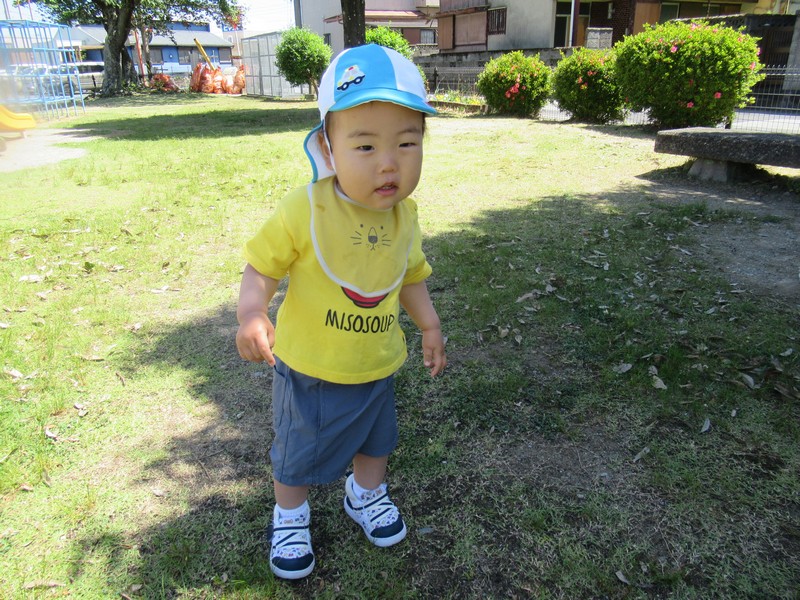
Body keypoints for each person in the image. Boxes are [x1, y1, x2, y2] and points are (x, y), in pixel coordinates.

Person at [235, 43, 447, 580]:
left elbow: (409, 275)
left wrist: (429, 324)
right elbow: (262, 266)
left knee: (377, 441)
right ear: (328, 150)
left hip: (377, 363)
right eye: (365, 145)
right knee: (296, 452)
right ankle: (290, 515)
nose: (388, 162)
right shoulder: (305, 208)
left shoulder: (405, 216)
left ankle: (365, 493)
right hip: (311, 367)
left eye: (407, 143)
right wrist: (252, 313)